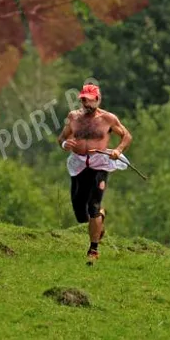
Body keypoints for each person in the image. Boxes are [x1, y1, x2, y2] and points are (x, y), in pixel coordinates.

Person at [57, 83, 132, 265]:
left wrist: (118, 150)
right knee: (80, 214)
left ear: (97, 99)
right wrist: (65, 145)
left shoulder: (108, 119)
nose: (85, 103)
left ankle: (93, 249)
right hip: (79, 164)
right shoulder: (73, 117)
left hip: (100, 165)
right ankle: (100, 217)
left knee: (93, 206)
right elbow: (62, 138)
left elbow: (127, 136)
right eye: (83, 100)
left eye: (88, 100)